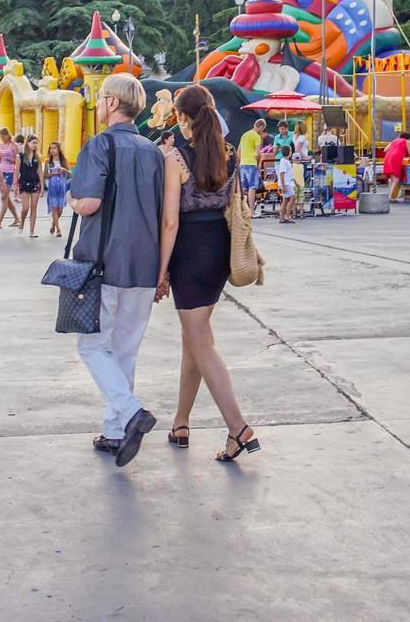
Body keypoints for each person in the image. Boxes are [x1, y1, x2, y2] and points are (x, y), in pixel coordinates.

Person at [157, 84, 261, 463]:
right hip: (219, 251)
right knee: (193, 341)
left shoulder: (175, 160)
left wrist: (161, 270)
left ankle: (238, 427)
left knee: (201, 342)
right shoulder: (229, 156)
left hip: (188, 252)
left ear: (183, 119)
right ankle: (181, 422)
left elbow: (169, 223)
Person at [69, 73, 164, 468]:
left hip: (104, 260)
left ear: (110, 102)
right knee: (125, 348)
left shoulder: (99, 145)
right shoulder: (153, 151)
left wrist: (72, 200)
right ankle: (115, 430)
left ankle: (131, 411)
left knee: (91, 345)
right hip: (145, 262)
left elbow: (88, 202)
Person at [0, 128, 23, 228]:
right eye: (1, 137)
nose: (2, 138)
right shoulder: (1, 146)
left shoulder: (13, 145)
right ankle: (17, 218)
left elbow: (17, 159)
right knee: (6, 198)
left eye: (3, 136)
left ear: (8, 135)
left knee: (4, 197)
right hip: (1, 172)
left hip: (9, 172)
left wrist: (9, 159)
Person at [237, 119, 265, 216]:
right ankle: (251, 211)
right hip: (251, 163)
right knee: (252, 188)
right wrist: (257, 164)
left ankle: (242, 211)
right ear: (261, 127)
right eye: (262, 129)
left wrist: (240, 162)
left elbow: (238, 152)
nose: (262, 131)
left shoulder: (244, 135)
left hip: (242, 164)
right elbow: (258, 153)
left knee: (243, 189)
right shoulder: (256, 137)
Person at [16, 134, 42, 238]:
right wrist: (15, 185)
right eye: (33, 142)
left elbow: (40, 171)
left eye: (36, 143)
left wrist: (42, 186)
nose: (35, 145)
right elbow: (17, 171)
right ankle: (22, 221)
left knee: (34, 207)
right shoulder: (20, 156)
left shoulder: (37, 157)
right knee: (25, 208)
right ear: (27, 143)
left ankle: (32, 230)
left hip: (34, 183)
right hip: (23, 182)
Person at [44, 141, 70, 237]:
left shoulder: (64, 160)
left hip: (62, 187)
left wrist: (63, 170)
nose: (52, 150)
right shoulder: (48, 161)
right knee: (54, 207)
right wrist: (53, 173)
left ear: (58, 149)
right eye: (51, 148)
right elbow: (45, 175)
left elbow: (70, 173)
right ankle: (59, 229)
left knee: (60, 210)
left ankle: (53, 224)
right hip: (52, 188)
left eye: (54, 148)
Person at [383, 131, 410, 202]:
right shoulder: (407, 141)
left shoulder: (394, 140)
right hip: (395, 158)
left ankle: (389, 195)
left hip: (387, 158)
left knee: (392, 179)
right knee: (396, 179)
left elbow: (385, 150)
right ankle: (390, 197)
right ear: (408, 138)